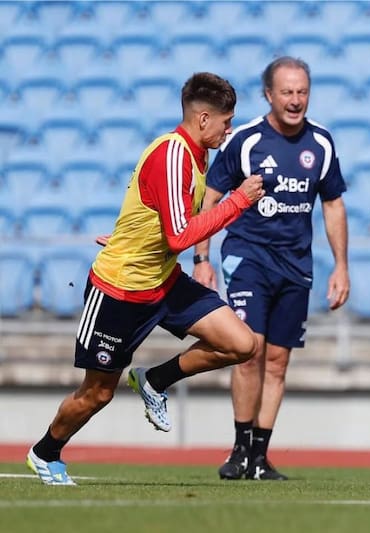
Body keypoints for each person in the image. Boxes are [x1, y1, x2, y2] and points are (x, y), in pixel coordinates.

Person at [26, 72, 266, 486]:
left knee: (242, 343)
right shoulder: (173, 156)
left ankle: (154, 380)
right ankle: (45, 452)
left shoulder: (198, 155)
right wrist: (238, 202)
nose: (230, 130)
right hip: (120, 290)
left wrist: (129, 235)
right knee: (97, 394)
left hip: (163, 281)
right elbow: (180, 234)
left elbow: (155, 215)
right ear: (203, 118)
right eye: (227, 122)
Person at [193, 56, 349, 481]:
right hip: (248, 257)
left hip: (296, 264)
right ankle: (240, 450)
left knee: (278, 361)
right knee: (249, 351)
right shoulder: (243, 141)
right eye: (287, 92)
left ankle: (260, 457)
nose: (295, 100)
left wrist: (341, 266)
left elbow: (332, 204)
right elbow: (210, 198)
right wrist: (201, 258)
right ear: (268, 95)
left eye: (302, 92)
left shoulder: (322, 143)